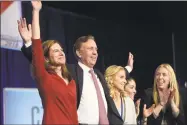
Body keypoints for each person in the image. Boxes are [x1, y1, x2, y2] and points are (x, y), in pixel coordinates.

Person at [18, 2, 134, 124]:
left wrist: (127, 69)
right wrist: (35, 12)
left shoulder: (82, 78)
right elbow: (37, 52)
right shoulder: (64, 74)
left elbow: (113, 76)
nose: (95, 52)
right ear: (79, 53)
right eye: (90, 49)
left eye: (62, 50)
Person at [18, 1, 78, 124]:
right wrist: (36, 11)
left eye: (62, 50)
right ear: (46, 58)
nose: (61, 53)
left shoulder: (71, 81)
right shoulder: (44, 77)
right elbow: (36, 43)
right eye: (56, 51)